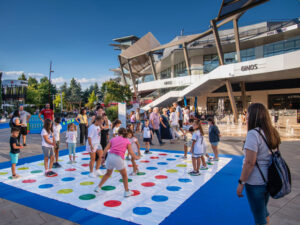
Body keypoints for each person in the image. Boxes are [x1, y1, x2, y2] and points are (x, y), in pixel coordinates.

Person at [237, 103, 280, 225]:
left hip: (255, 181)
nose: (246, 117)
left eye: (248, 114)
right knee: (263, 211)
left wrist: (241, 183)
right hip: (269, 179)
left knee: (259, 217)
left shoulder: (253, 134)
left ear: (254, 116)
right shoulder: (272, 132)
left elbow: (250, 162)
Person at [94, 128, 140, 197]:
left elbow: (106, 148)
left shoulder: (113, 138)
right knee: (124, 175)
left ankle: (98, 187)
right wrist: (137, 157)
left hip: (110, 156)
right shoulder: (127, 141)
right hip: (118, 158)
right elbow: (131, 152)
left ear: (118, 133)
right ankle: (127, 191)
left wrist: (103, 158)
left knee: (108, 173)